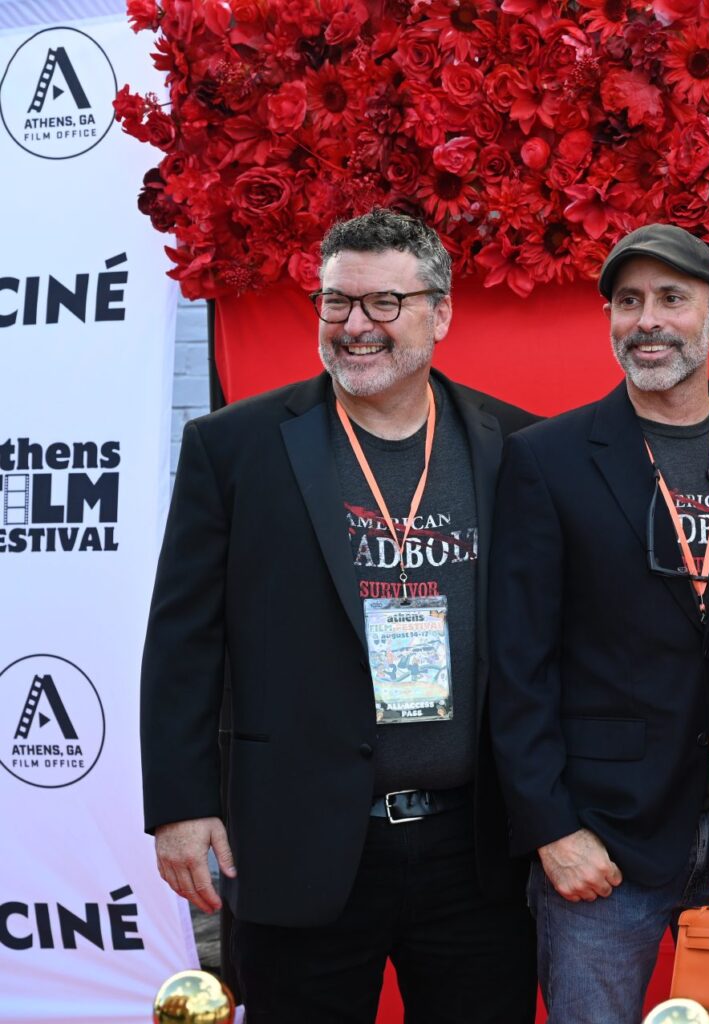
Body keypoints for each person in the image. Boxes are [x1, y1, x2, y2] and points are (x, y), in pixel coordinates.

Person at [140, 209, 539, 1022]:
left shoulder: (516, 445)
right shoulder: (235, 447)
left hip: (474, 848)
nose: (356, 326)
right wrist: (180, 804)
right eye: (336, 302)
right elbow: (184, 639)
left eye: (385, 303)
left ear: (441, 314)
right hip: (296, 836)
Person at [488, 223, 709, 1022]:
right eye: (628, 302)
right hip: (600, 844)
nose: (647, 320)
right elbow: (517, 663)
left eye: (671, 299)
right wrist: (552, 830)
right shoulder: (546, 459)